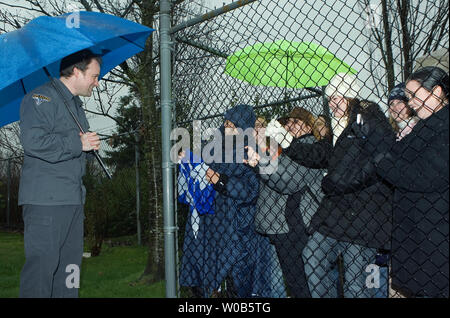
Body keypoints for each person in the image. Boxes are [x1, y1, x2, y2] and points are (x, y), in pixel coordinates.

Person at [267, 73, 395, 297]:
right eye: (330, 99)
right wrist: (286, 141)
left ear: (351, 96)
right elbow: (319, 154)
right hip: (336, 212)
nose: (334, 103)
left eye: (339, 97)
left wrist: (337, 182)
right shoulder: (337, 127)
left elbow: (380, 160)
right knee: (312, 257)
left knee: (356, 283)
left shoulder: (368, 117)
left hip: (363, 212)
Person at [18, 49, 102, 298]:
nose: (97, 83)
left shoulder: (75, 105)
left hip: (73, 201)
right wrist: (79, 144)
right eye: (94, 76)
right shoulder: (39, 98)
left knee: (70, 273)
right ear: (77, 71)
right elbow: (33, 142)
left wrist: (88, 148)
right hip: (46, 203)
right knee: (41, 274)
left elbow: (73, 149)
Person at [374, 66, 449, 297]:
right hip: (420, 230)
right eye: (408, 98)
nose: (411, 103)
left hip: (437, 232)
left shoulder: (443, 127)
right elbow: (398, 154)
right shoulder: (424, 125)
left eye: (415, 96)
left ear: (436, 92)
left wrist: (383, 163)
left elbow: (425, 178)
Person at [249, 108, 328, 298]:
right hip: (289, 226)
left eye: (296, 122)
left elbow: (285, 180)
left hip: (300, 225)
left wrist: (260, 161)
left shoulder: (309, 146)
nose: (290, 125)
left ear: (309, 127)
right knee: (298, 282)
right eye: (288, 122)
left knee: (305, 283)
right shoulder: (290, 149)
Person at [201, 104, 262, 297]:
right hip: (219, 225)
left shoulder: (249, 150)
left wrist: (221, 181)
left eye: (232, 125)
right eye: (226, 124)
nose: (227, 128)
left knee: (240, 279)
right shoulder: (217, 149)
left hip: (240, 224)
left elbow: (250, 190)